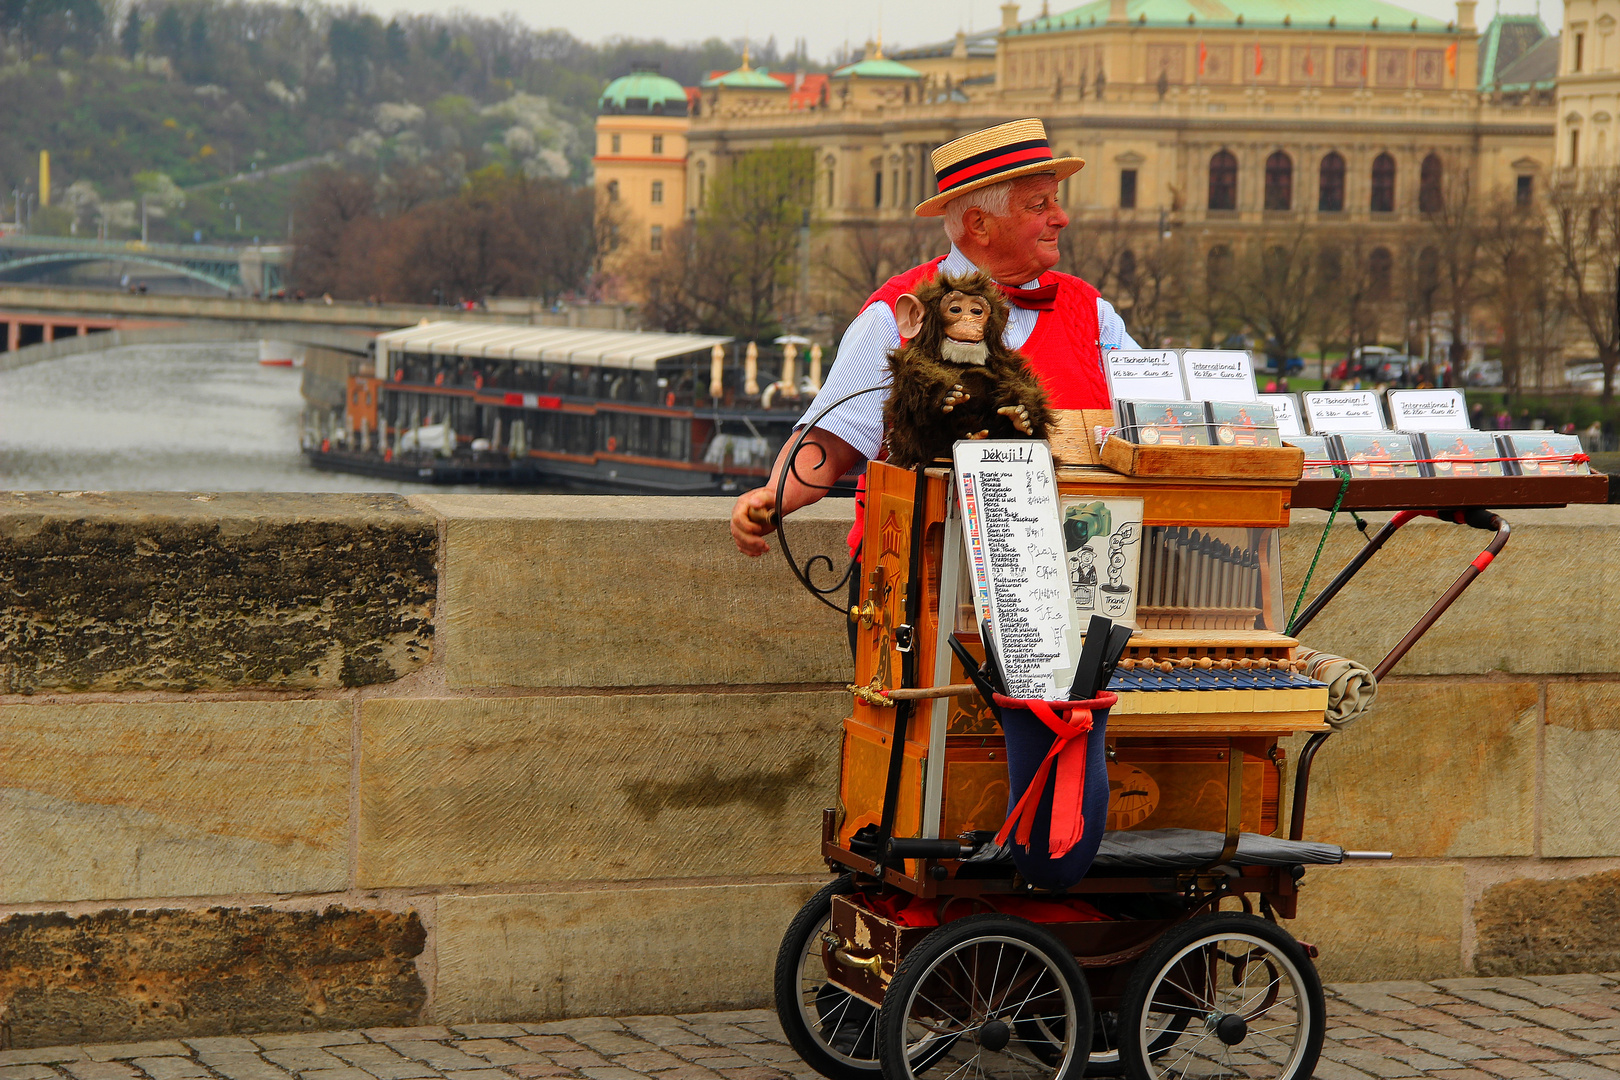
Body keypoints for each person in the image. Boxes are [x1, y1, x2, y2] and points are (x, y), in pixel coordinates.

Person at [731, 118, 1139, 555]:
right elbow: (832, 439)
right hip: (920, 578)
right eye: (1039, 205)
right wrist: (772, 498)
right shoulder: (897, 311)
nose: (1062, 218)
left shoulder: (1091, 311)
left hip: (1074, 574)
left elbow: (1155, 414)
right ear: (979, 224)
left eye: (1055, 201)